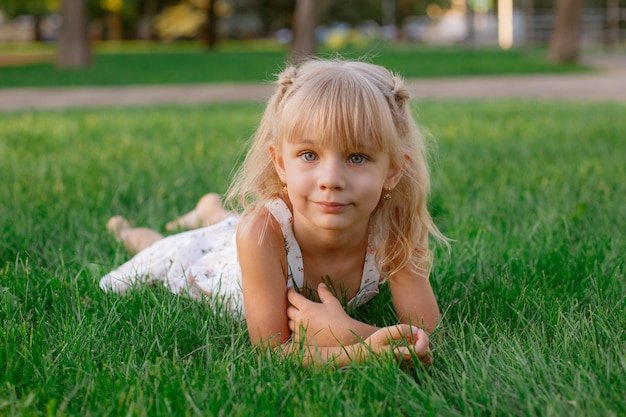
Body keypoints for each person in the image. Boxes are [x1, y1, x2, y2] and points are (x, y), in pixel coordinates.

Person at [100, 58, 447, 367]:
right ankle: (128, 230)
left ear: (392, 171)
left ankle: (212, 211)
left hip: (251, 232)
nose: (331, 181)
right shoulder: (260, 235)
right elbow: (271, 352)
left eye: (357, 158)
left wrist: (348, 330)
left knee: (226, 226)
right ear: (280, 162)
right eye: (309, 155)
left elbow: (428, 336)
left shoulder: (394, 225)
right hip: (220, 262)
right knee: (164, 251)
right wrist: (359, 348)